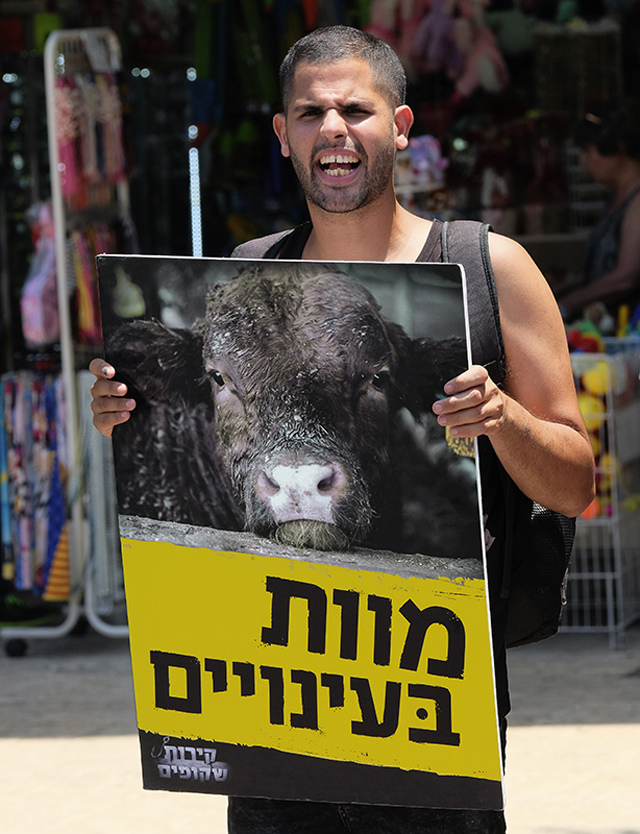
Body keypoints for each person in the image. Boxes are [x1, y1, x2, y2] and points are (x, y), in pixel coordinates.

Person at [89, 25, 594, 834]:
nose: (334, 129)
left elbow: (575, 483)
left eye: (356, 110)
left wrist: (503, 418)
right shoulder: (249, 271)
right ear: (283, 135)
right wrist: (129, 408)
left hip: (426, 692)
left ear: (400, 125)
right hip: (267, 693)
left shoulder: (489, 269)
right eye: (310, 113)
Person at [557, 99, 640, 323]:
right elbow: (603, 270)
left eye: (588, 151)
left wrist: (566, 304)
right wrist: (564, 286)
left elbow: (625, 277)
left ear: (618, 147)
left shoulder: (637, 202)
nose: (583, 162)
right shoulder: (615, 198)